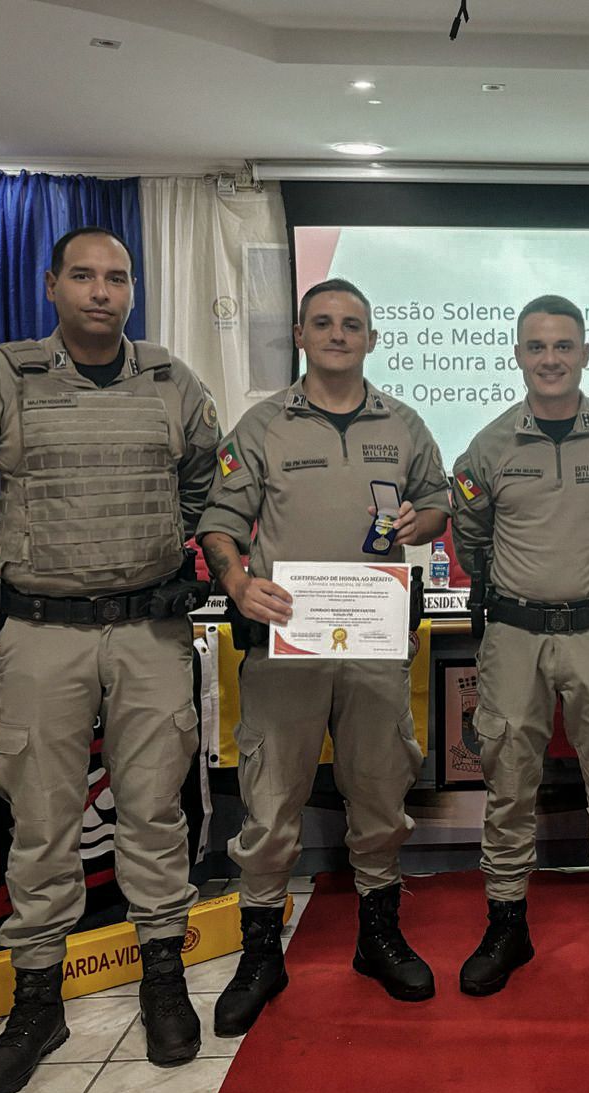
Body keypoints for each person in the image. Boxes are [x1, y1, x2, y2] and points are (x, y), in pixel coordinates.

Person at [0, 226, 220, 1093]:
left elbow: (209, 481)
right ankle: (37, 1000)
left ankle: (161, 975)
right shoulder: (3, 377)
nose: (102, 290)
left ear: (134, 290)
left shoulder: (172, 380)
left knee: (153, 807)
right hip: (41, 631)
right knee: (42, 816)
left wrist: (176, 543)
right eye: (84, 276)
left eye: (118, 277)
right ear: (52, 285)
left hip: (150, 630)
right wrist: (19, 543)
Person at [196, 278, 450, 1034]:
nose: (339, 334)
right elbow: (220, 519)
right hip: (286, 642)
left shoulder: (404, 423)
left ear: (372, 339)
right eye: (324, 323)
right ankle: (261, 949)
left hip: (374, 643)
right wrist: (237, 579)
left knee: (379, 791)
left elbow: (439, 502)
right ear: (301, 336)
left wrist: (421, 518)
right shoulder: (262, 426)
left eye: (353, 324)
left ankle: (378, 934)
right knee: (272, 799)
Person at [450, 294, 589, 999]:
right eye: (537, 346)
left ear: (585, 352)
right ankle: (507, 922)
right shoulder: (486, 447)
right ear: (517, 355)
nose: (550, 359)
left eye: (563, 346)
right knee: (508, 785)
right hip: (513, 635)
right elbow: (471, 537)